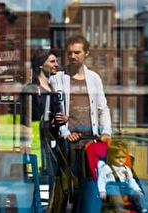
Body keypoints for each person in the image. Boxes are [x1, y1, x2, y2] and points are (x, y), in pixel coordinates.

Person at [50, 34, 112, 212]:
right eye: (69, 53)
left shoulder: (94, 78)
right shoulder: (57, 78)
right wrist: (65, 133)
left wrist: (106, 132)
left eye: (77, 52)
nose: (73, 56)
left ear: (86, 53)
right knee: (69, 194)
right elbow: (55, 111)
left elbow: (102, 108)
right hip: (68, 145)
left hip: (91, 144)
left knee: (91, 191)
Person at [20, 49, 66, 177]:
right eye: (52, 61)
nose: (56, 64)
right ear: (41, 65)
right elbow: (26, 117)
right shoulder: (31, 89)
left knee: (52, 175)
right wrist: (26, 143)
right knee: (38, 176)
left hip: (51, 141)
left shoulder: (53, 89)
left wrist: (61, 119)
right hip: (36, 141)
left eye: (56, 61)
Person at [97, 141, 146, 212]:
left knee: (136, 195)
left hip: (125, 188)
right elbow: (101, 180)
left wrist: (137, 190)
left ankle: (140, 209)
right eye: (117, 157)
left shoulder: (126, 169)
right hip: (112, 188)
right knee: (116, 196)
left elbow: (131, 180)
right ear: (110, 157)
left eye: (123, 157)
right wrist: (102, 191)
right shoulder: (107, 168)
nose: (121, 159)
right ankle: (120, 210)